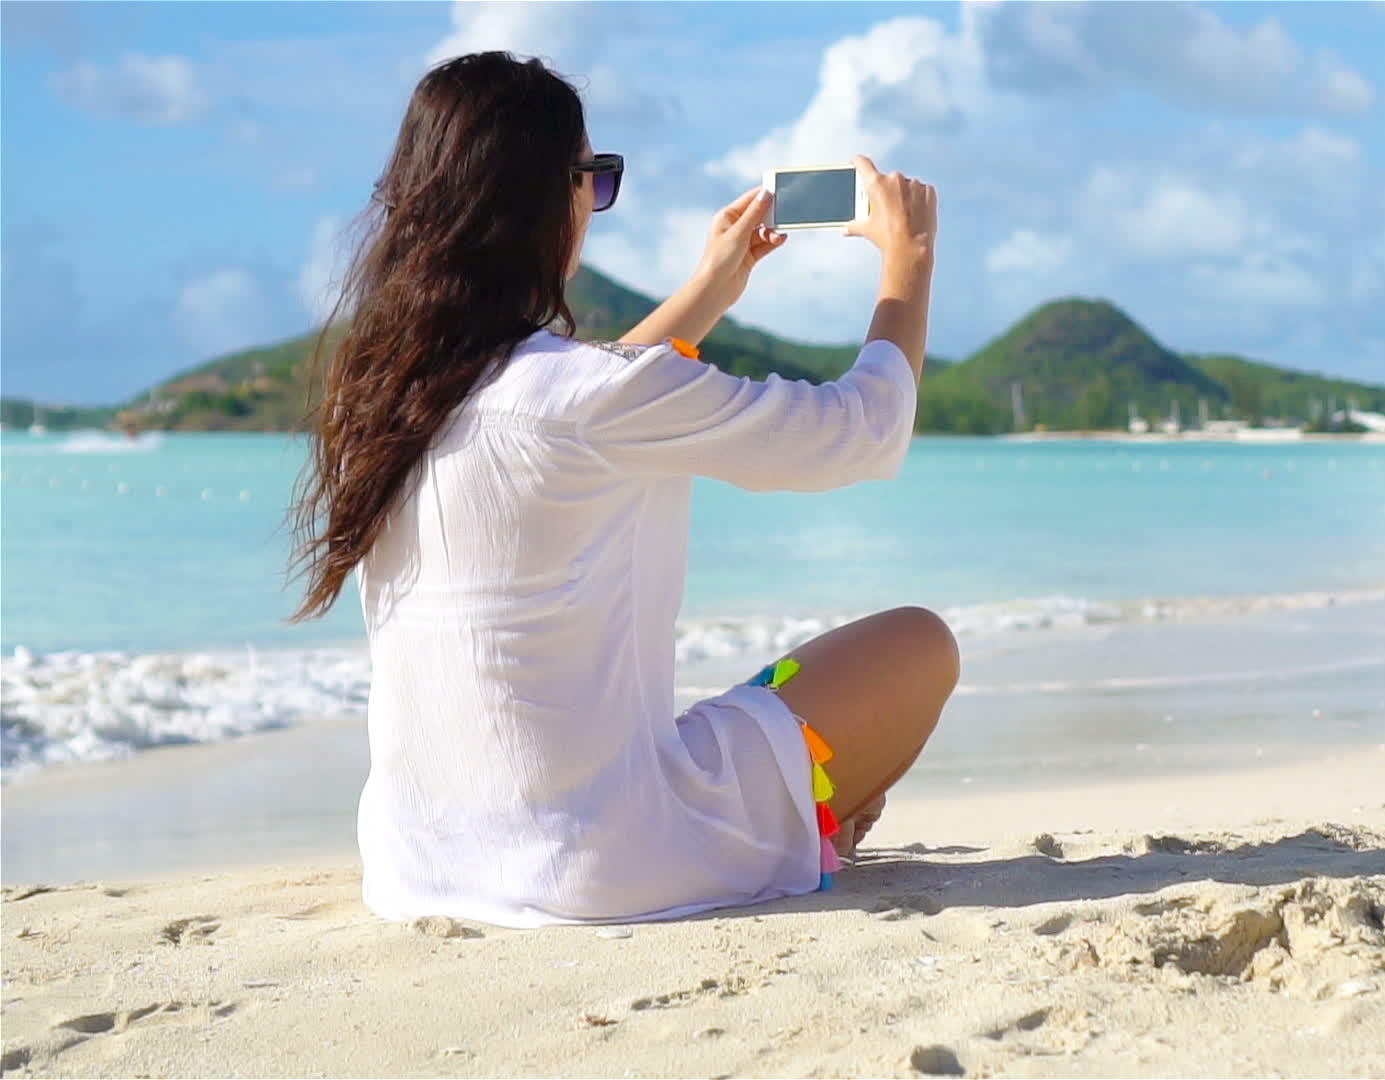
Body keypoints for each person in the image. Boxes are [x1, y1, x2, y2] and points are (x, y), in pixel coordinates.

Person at [287, 52, 957, 927]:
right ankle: (810, 828)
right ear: (549, 198)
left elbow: (579, 406)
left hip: (415, 866)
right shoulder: (594, 397)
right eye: (594, 180)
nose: (594, 205)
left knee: (759, 715)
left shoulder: (379, 397)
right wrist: (909, 264)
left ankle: (808, 819)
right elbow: (864, 433)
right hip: (602, 864)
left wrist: (711, 287)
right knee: (918, 644)